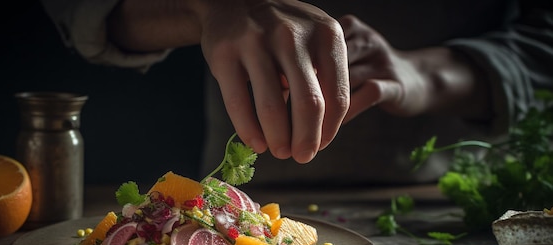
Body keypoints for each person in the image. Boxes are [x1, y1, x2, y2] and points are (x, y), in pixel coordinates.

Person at [41, 0, 553, 187]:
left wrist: (423, 74)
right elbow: (82, 9)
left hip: (447, 194)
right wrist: (205, 5)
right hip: (254, 191)